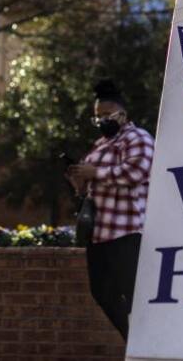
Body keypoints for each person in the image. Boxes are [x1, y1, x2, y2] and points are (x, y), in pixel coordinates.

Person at [66, 80, 155, 342]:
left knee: (133, 295)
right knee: (102, 293)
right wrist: (80, 184)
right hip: (98, 233)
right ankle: (135, 342)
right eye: (97, 116)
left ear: (122, 114)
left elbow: (138, 172)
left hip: (127, 232)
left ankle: (144, 345)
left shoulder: (138, 138)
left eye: (106, 115)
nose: (101, 120)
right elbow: (91, 190)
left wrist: (96, 172)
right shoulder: (99, 145)